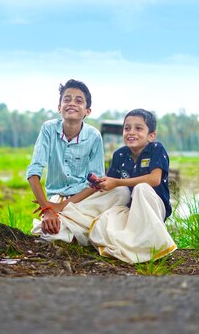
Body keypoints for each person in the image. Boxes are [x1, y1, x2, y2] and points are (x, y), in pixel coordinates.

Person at [27, 79, 130, 245]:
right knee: (50, 234)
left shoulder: (94, 136)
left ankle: (68, 224)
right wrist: (47, 208)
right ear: (59, 107)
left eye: (79, 101)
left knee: (123, 192)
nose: (71, 104)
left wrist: (59, 209)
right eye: (66, 99)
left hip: (84, 199)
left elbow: (95, 183)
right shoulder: (48, 129)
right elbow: (33, 171)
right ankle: (89, 229)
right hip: (57, 197)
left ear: (87, 110)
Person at [88, 109, 177, 263]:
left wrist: (117, 182)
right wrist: (101, 184)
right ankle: (134, 247)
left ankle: (156, 245)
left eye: (138, 128)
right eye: (127, 128)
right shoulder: (120, 155)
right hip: (131, 209)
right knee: (104, 222)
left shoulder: (156, 149)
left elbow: (154, 179)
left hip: (154, 208)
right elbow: (113, 185)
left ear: (151, 136)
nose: (131, 132)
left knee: (141, 188)